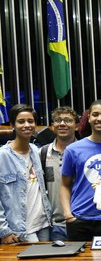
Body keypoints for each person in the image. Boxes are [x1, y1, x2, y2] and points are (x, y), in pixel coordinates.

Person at [61, 99, 101, 241]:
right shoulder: (73, 149)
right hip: (79, 219)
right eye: (95, 114)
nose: (99, 118)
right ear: (88, 118)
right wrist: (68, 214)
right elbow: (65, 184)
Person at [0, 104, 51, 244]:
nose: (27, 125)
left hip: (44, 224)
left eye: (30, 121)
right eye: (21, 121)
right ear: (12, 125)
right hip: (20, 230)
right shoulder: (3, 156)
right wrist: (4, 231)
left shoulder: (35, 150)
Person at [41, 106, 79, 242]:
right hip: (55, 225)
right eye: (58, 120)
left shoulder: (84, 152)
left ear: (76, 126)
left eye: (68, 120)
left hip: (82, 222)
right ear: (53, 126)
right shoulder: (43, 153)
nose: (62, 124)